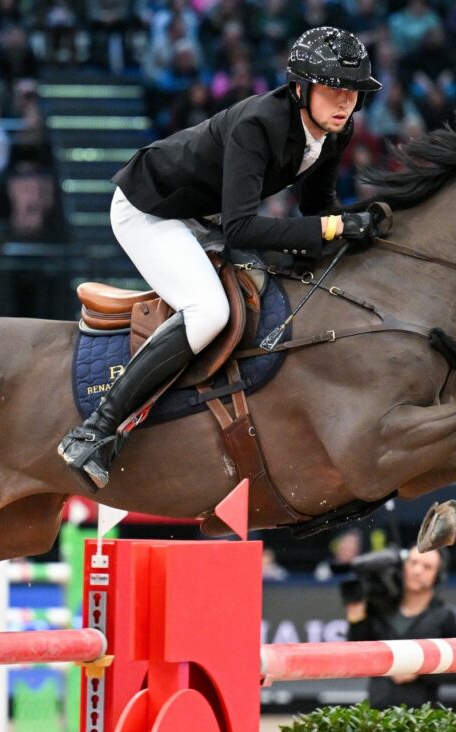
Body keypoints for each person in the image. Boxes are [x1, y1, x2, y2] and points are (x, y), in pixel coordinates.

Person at [58, 27, 383, 489]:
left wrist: (357, 227)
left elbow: (317, 209)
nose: (345, 102)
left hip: (204, 216)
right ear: (300, 88)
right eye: (333, 90)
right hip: (151, 209)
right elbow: (243, 229)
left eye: (352, 92)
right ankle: (95, 432)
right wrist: (333, 227)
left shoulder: (335, 130)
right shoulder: (259, 125)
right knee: (210, 311)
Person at [343, 546, 456, 708]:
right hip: (376, 716)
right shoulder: (380, 609)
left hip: (422, 717)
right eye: (412, 563)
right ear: (403, 567)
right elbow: (355, 657)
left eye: (427, 567)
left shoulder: (446, 616)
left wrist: (420, 670)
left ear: (438, 575)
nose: (417, 570)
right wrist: (356, 617)